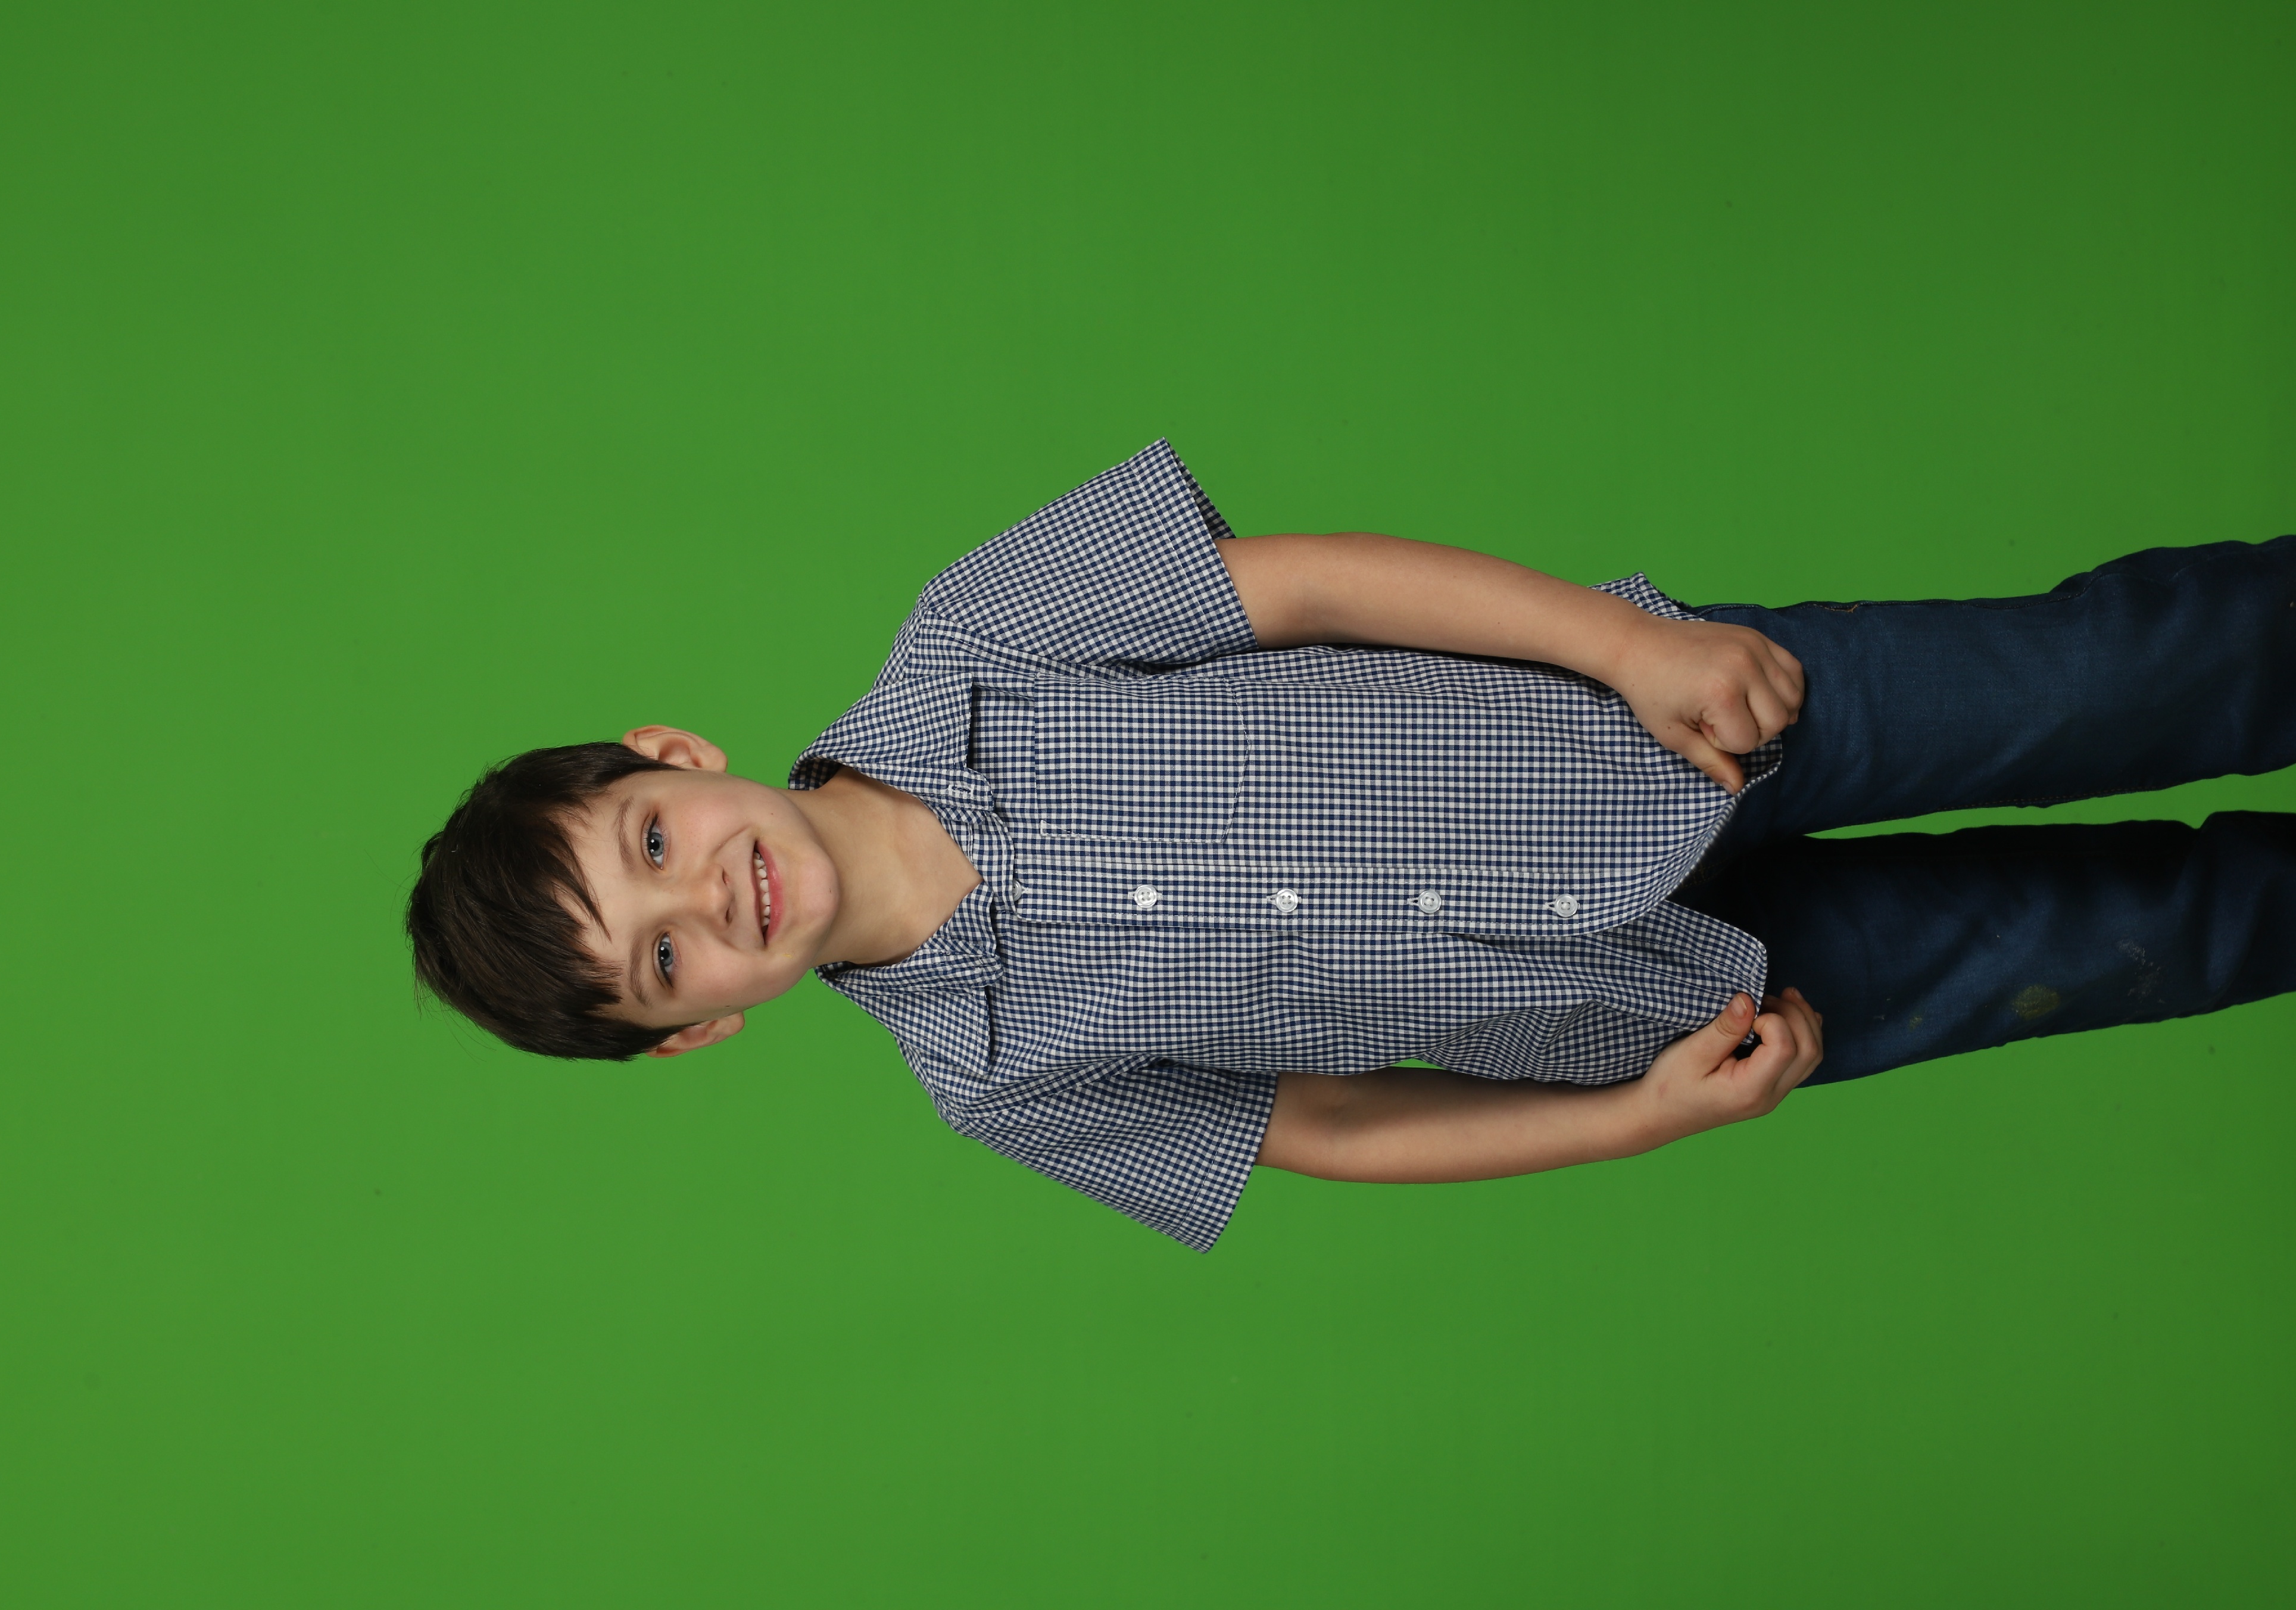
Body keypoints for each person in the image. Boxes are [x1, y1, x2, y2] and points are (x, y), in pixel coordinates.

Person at [406, 441, 2296, 1250]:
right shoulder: (993, 1082)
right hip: (1679, 1006)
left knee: (2105, 676)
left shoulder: (973, 631)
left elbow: (1302, 586)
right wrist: (1634, 1123)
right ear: (699, 1028)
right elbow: (1329, 1127)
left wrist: (1623, 643)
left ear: (677, 755)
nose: (705, 896)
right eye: (666, 956)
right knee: (2128, 940)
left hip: (1670, 731)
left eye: (654, 839)